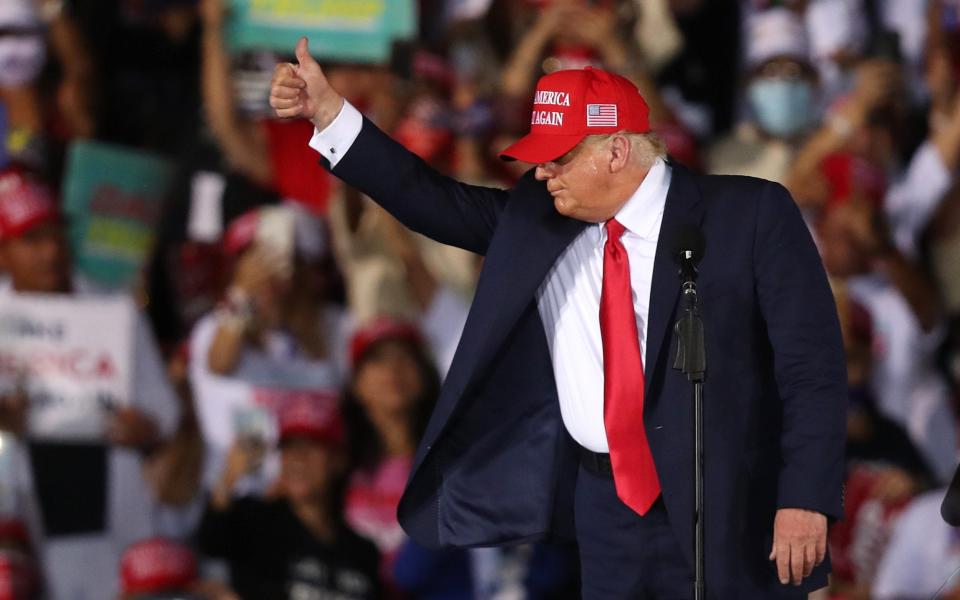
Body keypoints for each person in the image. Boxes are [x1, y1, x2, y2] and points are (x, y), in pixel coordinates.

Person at [270, 40, 847, 598]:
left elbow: (811, 369)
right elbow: (430, 199)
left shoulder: (748, 214)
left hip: (728, 501)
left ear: (617, 151)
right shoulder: (536, 218)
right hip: (604, 507)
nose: (543, 173)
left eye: (559, 155)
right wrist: (331, 116)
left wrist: (806, 496)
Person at [0, 166, 181, 598]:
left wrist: (147, 426)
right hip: (25, 527)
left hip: (114, 517)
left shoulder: (113, 309)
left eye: (55, 235)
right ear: (3, 253)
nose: (50, 252)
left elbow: (165, 410)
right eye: (32, 240)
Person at [196, 394, 381, 600]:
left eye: (311, 447)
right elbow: (210, 540)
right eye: (289, 447)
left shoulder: (363, 553)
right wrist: (228, 478)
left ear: (339, 460)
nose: (297, 459)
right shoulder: (255, 522)